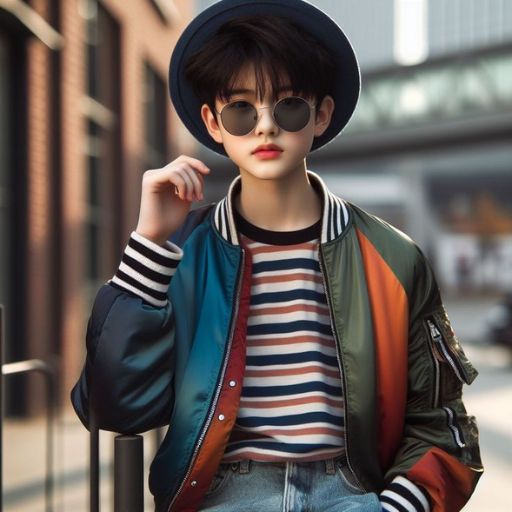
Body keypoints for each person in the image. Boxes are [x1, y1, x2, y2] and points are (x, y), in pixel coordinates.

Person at [71, 1, 483, 511]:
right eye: (241, 110)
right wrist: (150, 243)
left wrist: (396, 508)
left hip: (351, 493)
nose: (265, 126)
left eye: (288, 106)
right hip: (224, 493)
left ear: (322, 114)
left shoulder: (393, 258)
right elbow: (115, 407)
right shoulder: (180, 255)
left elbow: (442, 423)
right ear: (213, 123)